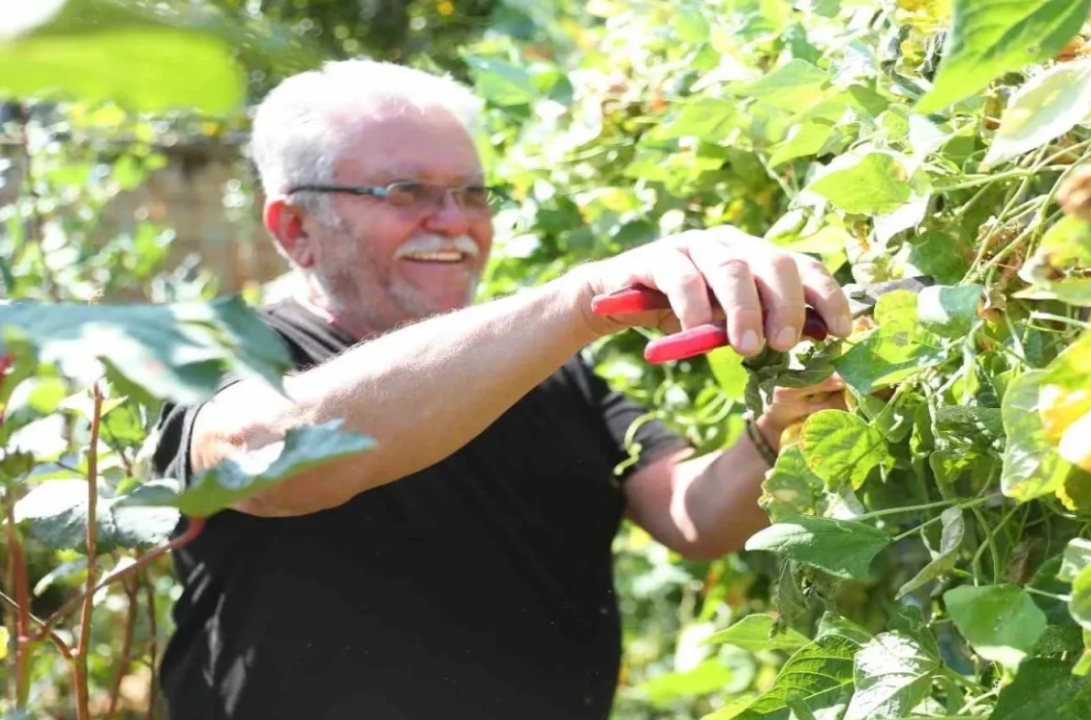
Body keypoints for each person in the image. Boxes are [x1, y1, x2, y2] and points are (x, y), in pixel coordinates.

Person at [151, 59, 853, 720]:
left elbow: (691, 515)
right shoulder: (214, 354)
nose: (455, 220)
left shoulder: (553, 372)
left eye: (472, 193)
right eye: (408, 192)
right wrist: (581, 299)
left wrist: (782, 427)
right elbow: (267, 456)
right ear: (296, 228)